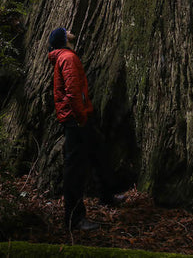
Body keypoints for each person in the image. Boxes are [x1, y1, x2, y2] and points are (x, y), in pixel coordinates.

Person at [47, 26, 124, 231]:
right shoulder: (68, 58)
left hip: (79, 117)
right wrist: (81, 117)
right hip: (76, 119)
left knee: (97, 153)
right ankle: (74, 219)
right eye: (67, 31)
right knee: (75, 169)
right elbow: (72, 92)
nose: (72, 31)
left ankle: (107, 195)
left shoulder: (65, 57)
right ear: (64, 39)